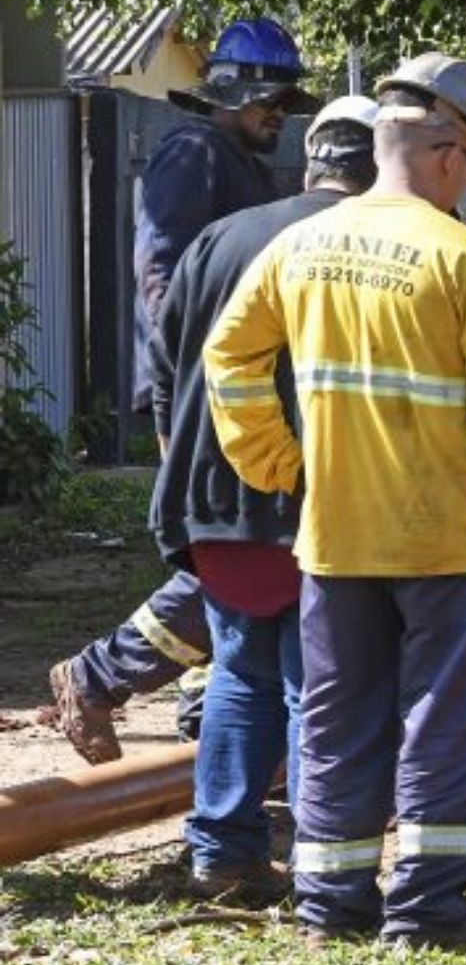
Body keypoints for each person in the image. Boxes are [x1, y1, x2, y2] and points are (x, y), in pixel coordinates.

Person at [204, 53, 466, 947]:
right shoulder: (464, 259)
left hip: (336, 537)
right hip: (449, 544)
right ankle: (427, 914)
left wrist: (277, 463)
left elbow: (228, 357)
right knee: (448, 720)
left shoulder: (301, 247)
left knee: (337, 720)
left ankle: (332, 905)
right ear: (451, 155)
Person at [49, 18, 321, 763]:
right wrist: (189, 394)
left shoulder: (240, 165)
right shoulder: (192, 154)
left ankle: (199, 702)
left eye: (286, 103)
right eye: (270, 100)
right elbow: (161, 275)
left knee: (243, 552)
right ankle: (101, 676)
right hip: (212, 395)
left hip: (235, 393)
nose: (279, 115)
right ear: (230, 91)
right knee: (242, 549)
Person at [149, 95, 380, 904]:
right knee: (318, 683)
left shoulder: (219, 239)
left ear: (308, 163)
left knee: (241, 675)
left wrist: (185, 477)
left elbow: (165, 365)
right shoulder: (372, 245)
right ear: (380, 165)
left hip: (217, 503)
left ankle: (223, 853)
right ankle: (324, 859)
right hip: (324, 499)